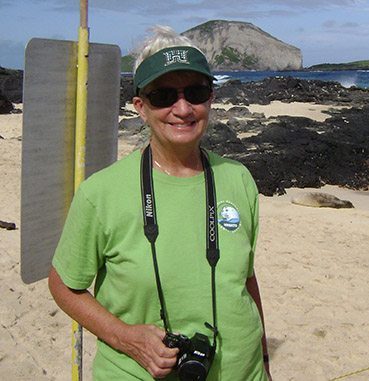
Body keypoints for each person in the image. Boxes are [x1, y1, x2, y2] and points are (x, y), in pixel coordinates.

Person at [48, 25, 271, 380]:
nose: (182, 109)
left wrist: (264, 362)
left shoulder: (238, 178)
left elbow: (245, 278)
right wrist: (124, 337)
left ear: (210, 98)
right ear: (141, 107)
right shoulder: (100, 192)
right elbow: (63, 285)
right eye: (164, 96)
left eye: (195, 92)